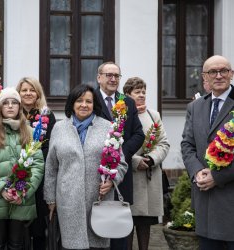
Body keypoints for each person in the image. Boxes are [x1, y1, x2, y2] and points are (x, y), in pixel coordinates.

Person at [44, 84, 128, 249]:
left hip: (98, 199)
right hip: (68, 199)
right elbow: (51, 167)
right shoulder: (59, 128)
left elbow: (122, 162)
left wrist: (112, 180)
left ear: (94, 104)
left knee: (97, 244)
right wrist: (51, 199)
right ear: (72, 104)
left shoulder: (107, 127)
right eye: (79, 100)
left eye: (88, 101)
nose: (84, 105)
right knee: (70, 245)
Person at [0, 87, 44, 250]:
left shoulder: (30, 132)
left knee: (16, 243)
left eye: (14, 103)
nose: (11, 106)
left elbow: (38, 165)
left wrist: (23, 191)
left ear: (19, 107)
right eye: (6, 103)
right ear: (0, 107)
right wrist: (1, 189)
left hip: (21, 198)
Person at [181, 55, 234, 250]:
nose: (219, 75)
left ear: (232, 74)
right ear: (205, 76)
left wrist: (218, 177)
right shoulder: (195, 107)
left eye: (224, 71)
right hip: (206, 202)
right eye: (213, 72)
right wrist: (197, 172)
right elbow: (187, 145)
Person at [95, 61, 145, 250]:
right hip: (96, 173)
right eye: (109, 75)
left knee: (119, 231)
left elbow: (139, 134)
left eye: (116, 75)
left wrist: (118, 154)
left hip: (121, 174)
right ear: (99, 77)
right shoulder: (90, 100)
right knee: (98, 226)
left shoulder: (128, 102)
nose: (113, 79)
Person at [123, 77, 170, 250]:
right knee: (126, 224)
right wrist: (136, 161)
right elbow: (116, 144)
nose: (141, 95)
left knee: (145, 225)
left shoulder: (153, 115)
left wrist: (151, 159)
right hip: (130, 176)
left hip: (150, 178)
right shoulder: (121, 115)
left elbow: (164, 143)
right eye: (137, 92)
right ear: (127, 95)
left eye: (143, 91)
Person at [16, 77, 56, 250]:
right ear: (18, 93)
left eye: (32, 90)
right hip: (15, 172)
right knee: (18, 225)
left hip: (39, 174)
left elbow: (50, 145)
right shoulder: (11, 112)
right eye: (24, 90)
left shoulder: (47, 115)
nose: (28, 93)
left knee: (39, 225)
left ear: (38, 93)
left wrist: (33, 161)